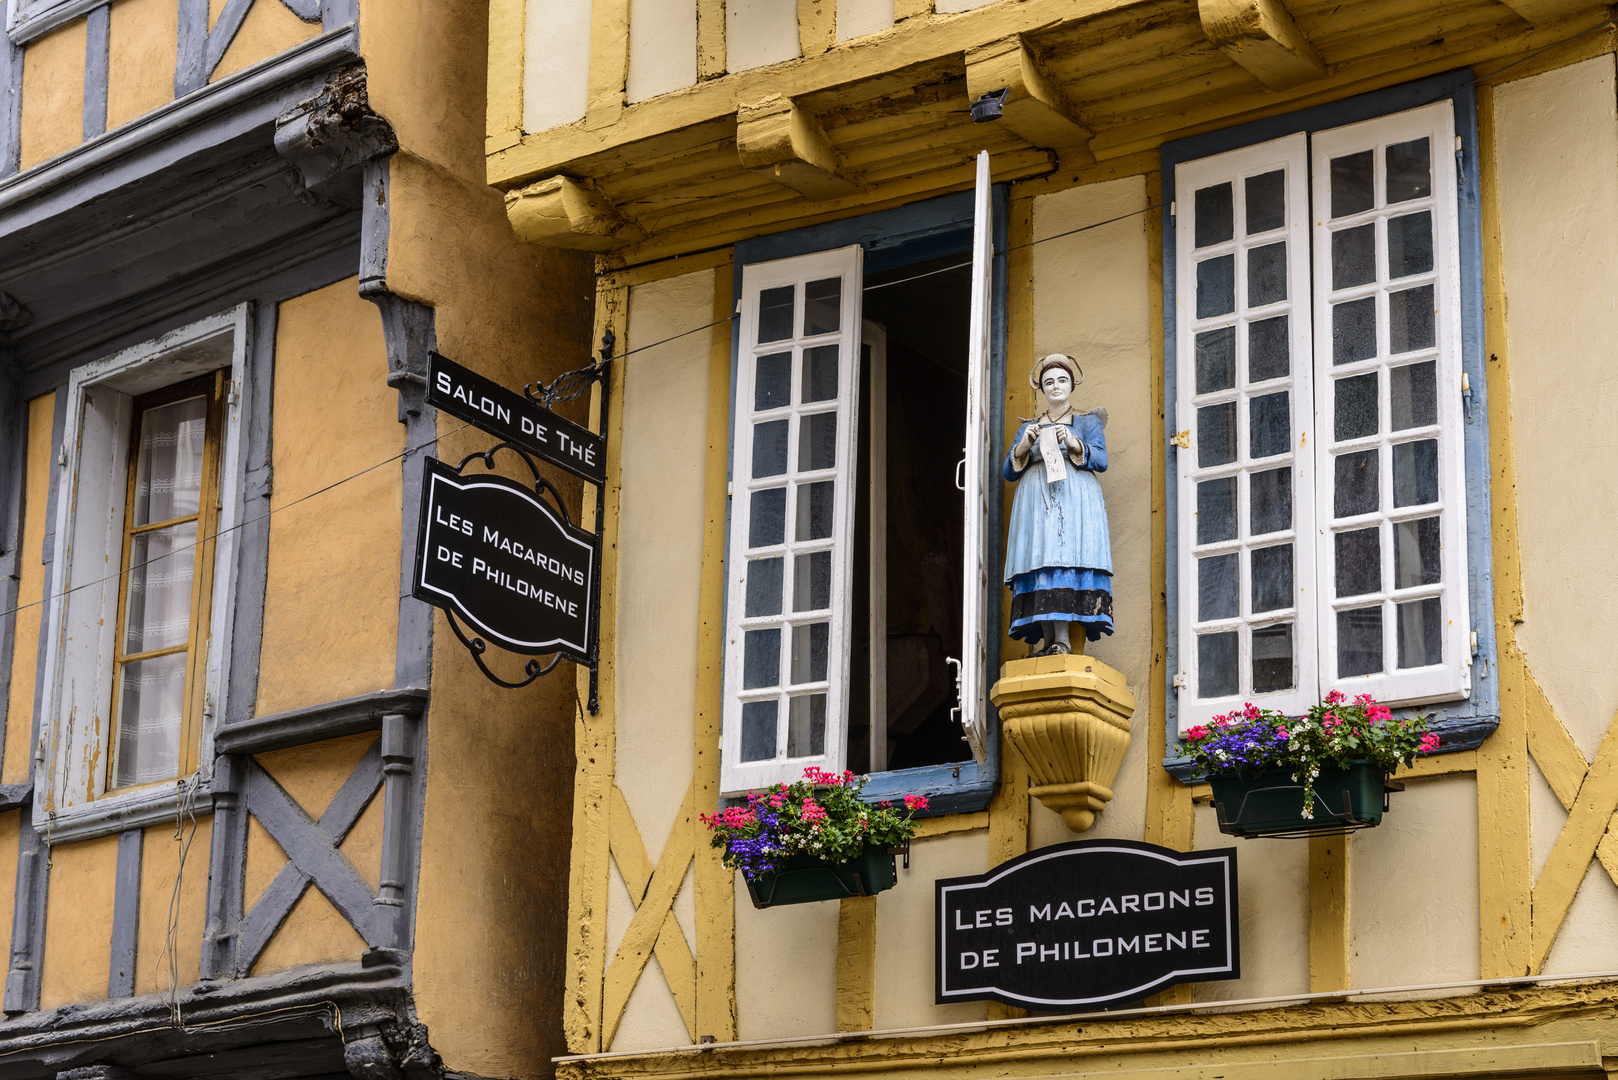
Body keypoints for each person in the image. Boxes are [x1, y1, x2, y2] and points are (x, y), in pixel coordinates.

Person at [1003, 353, 1114, 655]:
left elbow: (1101, 460)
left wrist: (1076, 443)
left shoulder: (1088, 421)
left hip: (1073, 499)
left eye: (1061, 380)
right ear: (1041, 388)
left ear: (1071, 386)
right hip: (1036, 502)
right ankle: (1048, 639)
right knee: (1041, 560)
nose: (1055, 386)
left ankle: (1062, 640)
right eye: (1048, 382)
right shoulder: (1029, 425)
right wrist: (1024, 445)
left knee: (1062, 560)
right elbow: (1008, 472)